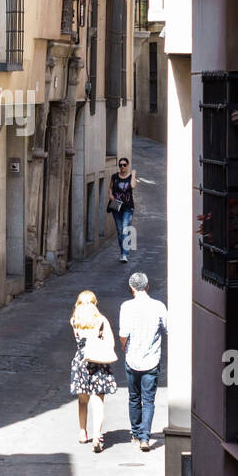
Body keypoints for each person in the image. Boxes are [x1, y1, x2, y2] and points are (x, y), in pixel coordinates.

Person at [118, 272, 168, 453]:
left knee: (134, 397)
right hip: (152, 359)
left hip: (132, 358)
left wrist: (124, 348)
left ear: (131, 288)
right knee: (148, 400)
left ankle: (136, 433)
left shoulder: (126, 307)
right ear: (147, 287)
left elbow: (123, 334)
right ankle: (145, 438)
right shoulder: (159, 306)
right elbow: (168, 329)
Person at [69, 290, 118, 453]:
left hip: (81, 362)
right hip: (98, 362)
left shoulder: (74, 320)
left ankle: (83, 432)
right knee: (98, 401)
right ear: (95, 303)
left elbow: (79, 341)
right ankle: (97, 436)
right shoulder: (101, 320)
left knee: (83, 400)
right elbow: (111, 343)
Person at [108, 156, 137, 263]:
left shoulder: (131, 177)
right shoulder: (114, 177)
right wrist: (110, 195)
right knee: (120, 230)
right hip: (116, 205)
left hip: (128, 207)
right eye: (120, 165)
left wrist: (133, 173)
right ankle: (123, 251)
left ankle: (124, 254)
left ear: (128, 166)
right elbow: (110, 188)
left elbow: (132, 186)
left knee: (125, 229)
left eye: (124, 165)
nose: (122, 167)